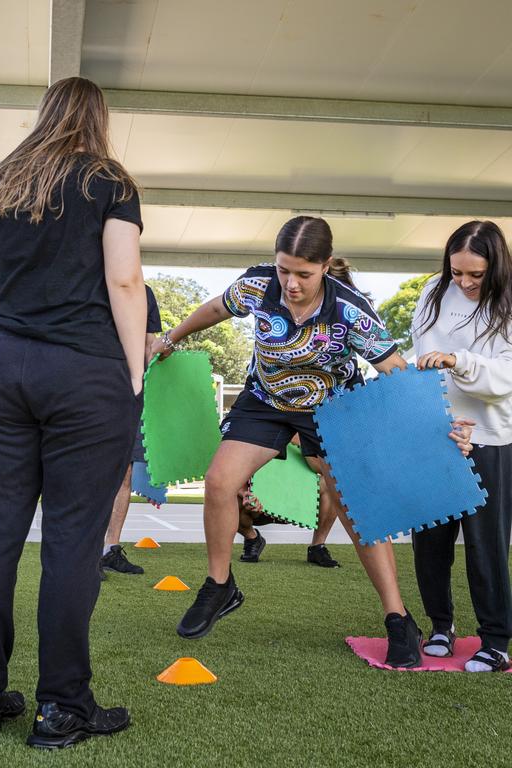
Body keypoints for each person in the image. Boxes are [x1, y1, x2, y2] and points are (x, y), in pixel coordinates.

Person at [157, 215, 472, 668]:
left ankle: (398, 618)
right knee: (219, 480)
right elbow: (214, 309)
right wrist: (170, 338)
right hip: (265, 400)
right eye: (284, 269)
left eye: (303, 273)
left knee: (355, 511)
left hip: (331, 409)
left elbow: (397, 371)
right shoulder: (257, 286)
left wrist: (437, 423)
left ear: (325, 266)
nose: (291, 283)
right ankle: (220, 586)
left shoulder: (349, 310)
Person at [0, 76, 145, 749]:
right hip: (85, 369)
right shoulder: (109, 182)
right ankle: (62, 707)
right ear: (96, 119)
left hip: (5, 364)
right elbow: (124, 280)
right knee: (70, 539)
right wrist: (133, 372)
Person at [412, 220, 512, 672]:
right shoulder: (434, 291)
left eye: (477, 275)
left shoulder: (508, 301)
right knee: (429, 539)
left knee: (484, 543)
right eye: (458, 272)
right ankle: (441, 625)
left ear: (496, 267)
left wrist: (458, 360)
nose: (466, 282)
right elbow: (421, 357)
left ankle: (495, 640)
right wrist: (443, 418)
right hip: (437, 433)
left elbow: (505, 378)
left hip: (491, 437)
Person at [99, 284, 162, 576]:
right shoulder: (85, 282)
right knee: (87, 474)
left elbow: (150, 346)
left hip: (129, 393)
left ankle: (109, 549)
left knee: (122, 476)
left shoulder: (144, 294)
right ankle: (84, 552)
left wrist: (165, 355)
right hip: (89, 389)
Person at [236, 438, 341, 567]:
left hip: (296, 501)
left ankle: (317, 547)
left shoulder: (306, 429)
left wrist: (304, 444)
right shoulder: (251, 428)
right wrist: (246, 495)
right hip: (258, 504)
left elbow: (322, 469)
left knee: (332, 482)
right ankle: (252, 539)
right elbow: (229, 473)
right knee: (225, 497)